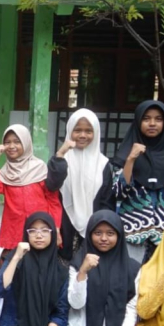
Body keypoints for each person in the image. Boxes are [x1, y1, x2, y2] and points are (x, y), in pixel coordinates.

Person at [61, 210, 139, 326]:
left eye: (110, 233)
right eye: (98, 233)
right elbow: (76, 304)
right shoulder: (78, 263)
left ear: (119, 236)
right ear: (89, 235)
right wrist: (83, 272)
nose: (104, 238)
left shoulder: (132, 268)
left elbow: (131, 310)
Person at [111, 100, 164, 263]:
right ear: (138, 121)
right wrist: (131, 159)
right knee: (132, 276)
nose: (152, 123)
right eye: (146, 118)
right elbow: (118, 192)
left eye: (158, 119)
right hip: (131, 232)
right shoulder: (125, 154)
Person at [0, 124, 64, 256]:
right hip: (14, 229)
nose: (11, 146)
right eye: (7, 142)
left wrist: (56, 228)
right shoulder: (6, 172)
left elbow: (53, 200)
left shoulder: (39, 168)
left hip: (39, 228)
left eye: (17, 142)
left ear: (26, 143)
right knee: (13, 264)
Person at [58, 109, 112, 261]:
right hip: (63, 226)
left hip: (94, 226)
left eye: (89, 131)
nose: (83, 135)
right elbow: (52, 189)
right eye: (77, 130)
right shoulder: (62, 160)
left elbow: (107, 201)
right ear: (69, 131)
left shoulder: (103, 164)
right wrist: (59, 156)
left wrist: (101, 228)